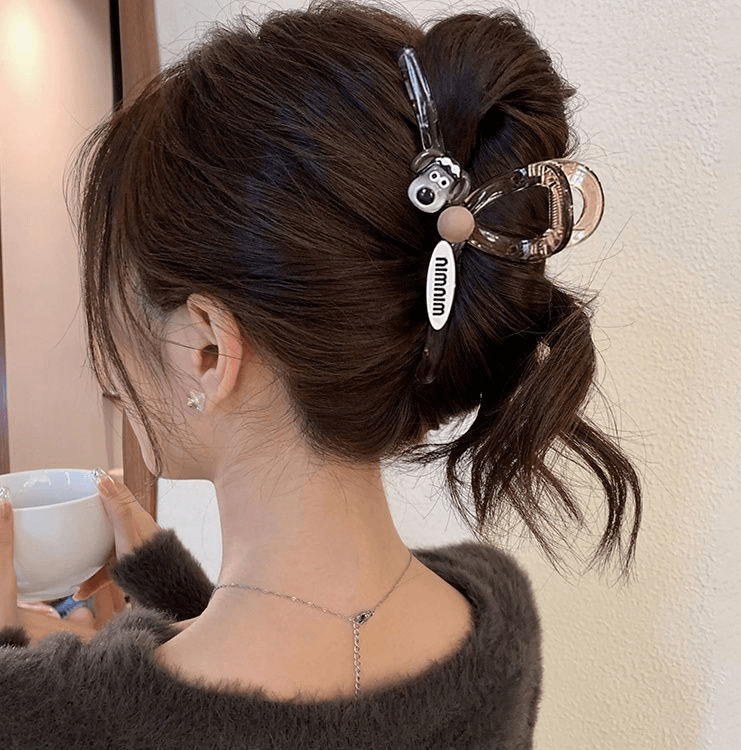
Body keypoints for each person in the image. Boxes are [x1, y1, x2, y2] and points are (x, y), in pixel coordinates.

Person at [0, 0, 641, 746]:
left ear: (208, 348)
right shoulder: (496, 618)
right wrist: (168, 585)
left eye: (119, 299)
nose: (108, 361)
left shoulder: (57, 713)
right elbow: (320, 714)